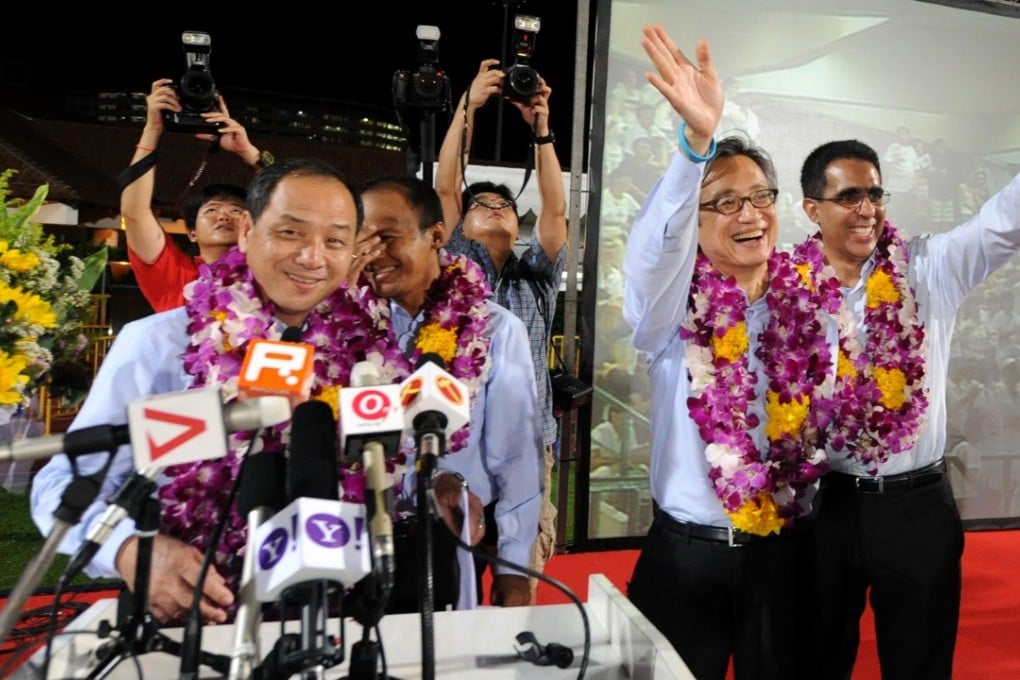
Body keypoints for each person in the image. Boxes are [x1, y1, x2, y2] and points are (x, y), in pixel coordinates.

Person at [29, 158, 409, 625]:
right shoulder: (161, 344)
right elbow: (62, 482)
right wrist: (129, 550)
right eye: (291, 233)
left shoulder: (370, 360)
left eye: (334, 241)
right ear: (247, 231)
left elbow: (387, 474)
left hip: (334, 623)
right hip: (193, 624)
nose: (313, 257)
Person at [622, 26, 836, 680]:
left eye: (759, 197)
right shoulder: (669, 311)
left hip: (789, 557)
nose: (750, 214)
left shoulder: (811, 307)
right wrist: (693, 147)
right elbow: (651, 259)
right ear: (696, 218)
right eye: (725, 203)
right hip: (689, 562)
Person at [795, 136, 1020, 679]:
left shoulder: (930, 268)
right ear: (812, 209)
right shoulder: (783, 284)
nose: (867, 209)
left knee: (919, 664)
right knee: (812, 660)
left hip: (917, 510)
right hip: (824, 509)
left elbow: (1002, 222)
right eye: (849, 196)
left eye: (875, 193)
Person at [358, 174, 543, 609]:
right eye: (361, 238)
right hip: (354, 542)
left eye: (388, 236)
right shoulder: (341, 327)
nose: (372, 252)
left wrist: (513, 569)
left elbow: (516, 456)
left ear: (436, 235)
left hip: (447, 545)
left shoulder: (495, 329)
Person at [434, 58, 567, 603]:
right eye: (481, 204)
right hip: (454, 452)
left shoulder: (535, 276)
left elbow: (556, 207)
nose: (496, 210)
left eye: (506, 206)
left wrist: (541, 127)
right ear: (458, 226)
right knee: (448, 580)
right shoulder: (450, 268)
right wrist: (469, 105)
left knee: (519, 588)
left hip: (528, 450)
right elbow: (445, 183)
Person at [120, 78, 274, 312]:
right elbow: (135, 213)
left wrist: (249, 153)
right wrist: (152, 129)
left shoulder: (270, 274)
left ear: (249, 229)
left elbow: (299, 211)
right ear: (191, 233)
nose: (224, 215)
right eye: (211, 210)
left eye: (236, 210)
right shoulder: (174, 275)